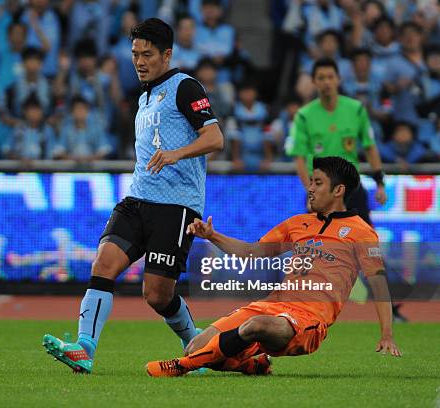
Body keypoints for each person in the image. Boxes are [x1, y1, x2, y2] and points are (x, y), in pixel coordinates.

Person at [42, 17, 224, 374]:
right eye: (135, 54)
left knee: (157, 295)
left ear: (167, 54)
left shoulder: (185, 87)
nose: (140, 61)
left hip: (175, 206)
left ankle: (196, 346)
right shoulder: (143, 95)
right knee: (103, 264)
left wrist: (175, 153)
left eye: (148, 54)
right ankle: (85, 348)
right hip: (137, 199)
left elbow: (216, 139)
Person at [146, 156, 402, 377]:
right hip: (273, 305)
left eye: (317, 183)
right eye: (310, 181)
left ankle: (182, 366)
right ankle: (250, 364)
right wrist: (212, 236)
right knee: (196, 344)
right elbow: (250, 252)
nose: (310, 188)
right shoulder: (298, 223)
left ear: (339, 191)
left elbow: (379, 285)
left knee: (256, 325)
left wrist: (387, 334)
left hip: (308, 320)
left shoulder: (362, 232)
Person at [286, 57, 408, 322]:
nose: (327, 82)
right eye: (321, 78)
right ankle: (304, 306)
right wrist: (311, 192)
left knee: (369, 249)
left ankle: (390, 309)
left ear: (338, 80)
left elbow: (370, 146)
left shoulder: (355, 110)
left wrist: (379, 182)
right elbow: (298, 156)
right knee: (309, 250)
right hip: (320, 193)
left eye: (331, 77)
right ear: (315, 82)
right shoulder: (305, 115)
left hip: (352, 192)